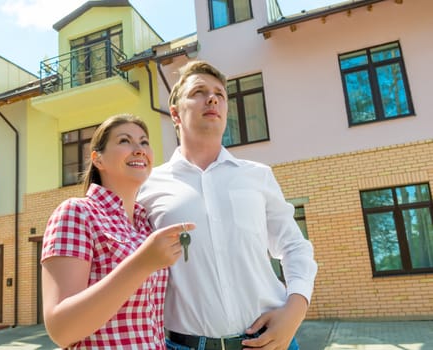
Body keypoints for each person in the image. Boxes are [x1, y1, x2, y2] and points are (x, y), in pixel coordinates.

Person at [138, 61, 318, 350]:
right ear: (175, 113)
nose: (212, 99)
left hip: (270, 343)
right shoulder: (147, 188)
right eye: (199, 91)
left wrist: (295, 310)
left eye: (220, 94)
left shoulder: (258, 175)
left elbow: (295, 247)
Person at [41, 114, 195, 349]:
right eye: (125, 141)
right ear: (98, 159)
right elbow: (61, 330)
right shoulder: (77, 213)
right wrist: (142, 263)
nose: (139, 149)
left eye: (144, 142)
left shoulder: (147, 224)